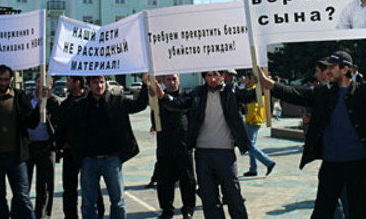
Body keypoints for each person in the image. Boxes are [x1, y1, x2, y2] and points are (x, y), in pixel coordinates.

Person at [259, 51, 366, 219]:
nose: (327, 71)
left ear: (345, 69)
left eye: (332, 67)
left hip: (359, 165)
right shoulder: (324, 92)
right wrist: (271, 85)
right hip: (331, 164)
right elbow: (297, 94)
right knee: (322, 212)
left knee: (358, 213)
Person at [153, 70, 257, 219]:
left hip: (225, 152)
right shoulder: (197, 93)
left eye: (216, 75)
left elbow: (252, 96)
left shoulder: (231, 91)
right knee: (209, 198)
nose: (213, 79)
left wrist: (262, 85)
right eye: (208, 75)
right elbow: (178, 104)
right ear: (204, 77)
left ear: (222, 75)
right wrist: (163, 97)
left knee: (233, 194)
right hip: (203, 153)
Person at [63, 75, 149, 219]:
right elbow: (63, 116)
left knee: (118, 201)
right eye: (95, 82)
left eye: (102, 82)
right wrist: (48, 97)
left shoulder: (117, 101)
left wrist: (145, 85)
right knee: (89, 203)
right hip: (89, 160)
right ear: (89, 85)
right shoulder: (81, 105)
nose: (99, 86)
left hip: (112, 160)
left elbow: (138, 105)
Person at [0, 64, 40, 219]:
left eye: (6, 79)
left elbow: (31, 123)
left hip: (16, 156)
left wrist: (40, 104)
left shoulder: (19, 97)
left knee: (22, 197)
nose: (2, 83)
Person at [56, 76, 105, 219]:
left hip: (87, 153)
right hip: (70, 152)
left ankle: (97, 215)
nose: (67, 84)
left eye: (69, 81)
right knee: (69, 189)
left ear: (77, 83)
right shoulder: (66, 103)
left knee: (92, 188)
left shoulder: (90, 102)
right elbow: (62, 122)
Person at [153, 74, 195, 219]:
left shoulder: (186, 96)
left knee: (187, 180)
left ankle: (188, 209)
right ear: (164, 81)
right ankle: (166, 210)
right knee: (164, 181)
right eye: (168, 79)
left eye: (174, 79)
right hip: (165, 146)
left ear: (179, 80)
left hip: (183, 146)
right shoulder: (157, 98)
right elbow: (155, 115)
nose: (171, 82)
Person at [27, 75, 61, 219]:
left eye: (47, 83)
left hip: (47, 147)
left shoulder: (55, 101)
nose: (43, 85)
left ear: (51, 85)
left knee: (45, 185)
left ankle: (43, 215)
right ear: (36, 82)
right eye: (41, 81)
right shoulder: (27, 99)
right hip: (28, 146)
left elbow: (60, 121)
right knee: (23, 185)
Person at [242, 73, 276, 177]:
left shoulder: (253, 90)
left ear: (252, 79)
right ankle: (253, 169)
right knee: (252, 145)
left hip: (253, 121)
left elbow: (253, 109)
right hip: (256, 120)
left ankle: (268, 162)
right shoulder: (255, 89)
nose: (244, 79)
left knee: (249, 146)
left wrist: (248, 120)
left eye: (247, 78)